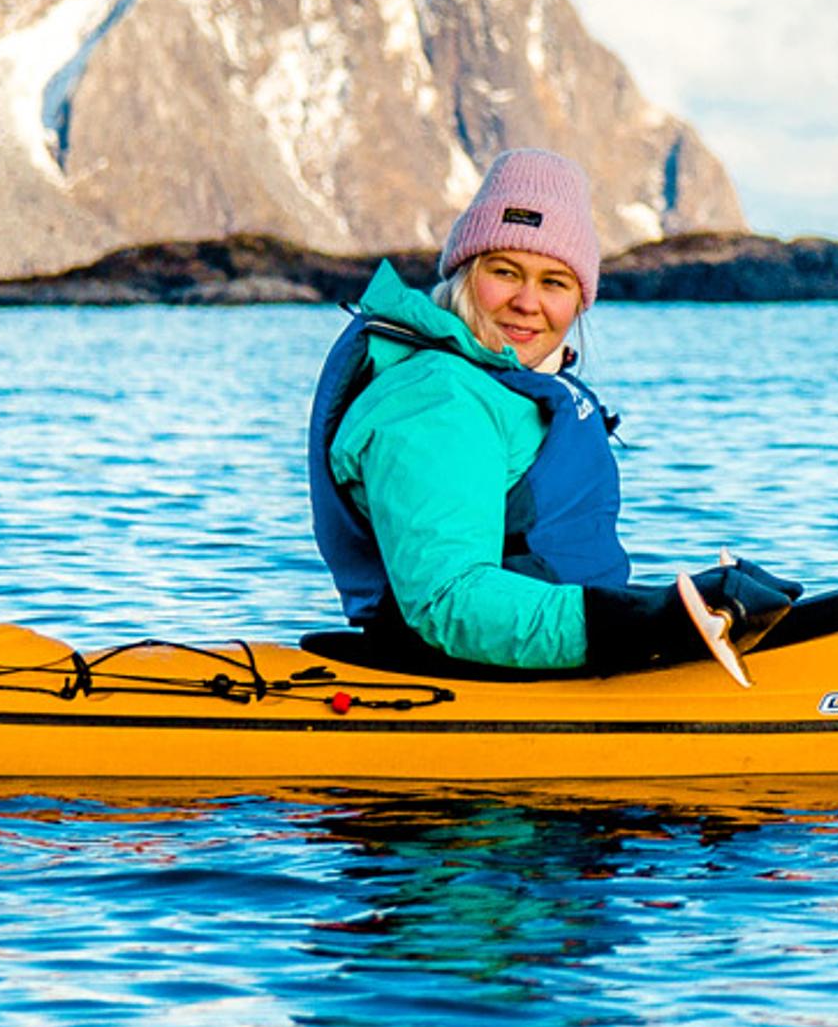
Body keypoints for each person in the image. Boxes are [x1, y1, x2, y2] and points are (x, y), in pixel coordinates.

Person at [305, 149, 790, 674]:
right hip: (474, 673)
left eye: (554, 282)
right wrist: (643, 622)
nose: (527, 302)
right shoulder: (437, 401)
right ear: (466, 276)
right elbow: (449, 601)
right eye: (505, 272)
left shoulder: (505, 383)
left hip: (556, 660)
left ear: (579, 301)